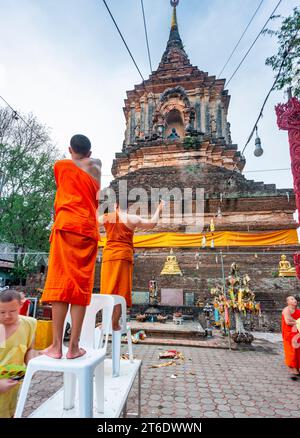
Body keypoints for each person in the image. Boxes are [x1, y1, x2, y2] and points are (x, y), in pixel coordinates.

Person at [41, 134, 101, 359]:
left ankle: (57, 346)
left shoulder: (61, 165)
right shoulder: (95, 172)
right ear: (90, 154)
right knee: (80, 288)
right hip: (86, 231)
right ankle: (74, 347)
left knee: (60, 286)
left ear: (69, 149)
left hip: (66, 227)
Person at [99, 200, 163, 331]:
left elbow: (90, 223)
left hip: (110, 256)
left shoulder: (108, 217)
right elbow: (152, 223)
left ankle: (105, 322)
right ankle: (114, 324)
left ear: (115, 205)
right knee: (120, 291)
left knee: (108, 289)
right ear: (128, 207)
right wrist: (159, 209)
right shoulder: (132, 218)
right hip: (124, 257)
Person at [0, 289, 37, 418]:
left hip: (12, 383)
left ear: (21, 306)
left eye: (13, 311)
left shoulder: (29, 324)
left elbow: (29, 349)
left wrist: (31, 366)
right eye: (2, 312)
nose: (7, 316)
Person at [282, 296, 300, 378]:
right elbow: (288, 322)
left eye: (294, 299)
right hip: (289, 332)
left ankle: (297, 367)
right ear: (288, 302)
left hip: (297, 331)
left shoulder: (298, 310)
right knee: (292, 350)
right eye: (292, 299)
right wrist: (297, 323)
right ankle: (293, 368)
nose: (294, 300)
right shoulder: (286, 310)